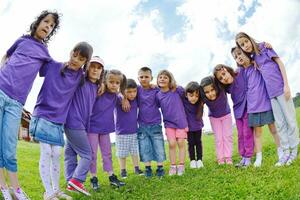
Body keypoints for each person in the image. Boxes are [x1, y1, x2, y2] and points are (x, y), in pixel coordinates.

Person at [0, 10, 60, 200]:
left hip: (16, 102)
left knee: (9, 146)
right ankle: (3, 187)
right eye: (46, 22)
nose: (48, 27)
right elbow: (6, 56)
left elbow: (56, 70)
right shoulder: (22, 40)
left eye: (51, 26)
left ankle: (16, 189)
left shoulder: (45, 53)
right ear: (38, 22)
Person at [30, 42, 92, 200]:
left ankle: (56, 190)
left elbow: (94, 80)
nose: (75, 59)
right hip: (43, 114)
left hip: (59, 120)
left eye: (81, 58)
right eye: (74, 54)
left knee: (57, 154)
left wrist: (104, 87)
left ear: (85, 62)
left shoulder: (80, 77)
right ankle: (48, 192)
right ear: (70, 52)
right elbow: (37, 62)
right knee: (46, 152)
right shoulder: (53, 66)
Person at [236, 32, 299, 166]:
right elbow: (244, 65)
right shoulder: (252, 58)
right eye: (242, 45)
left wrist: (286, 85)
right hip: (271, 95)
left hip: (281, 89)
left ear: (250, 39)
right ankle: (286, 152)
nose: (245, 46)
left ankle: (294, 150)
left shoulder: (265, 48)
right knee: (280, 124)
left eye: (246, 42)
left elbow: (280, 63)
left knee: (290, 120)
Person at [231, 46, 281, 167]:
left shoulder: (256, 63)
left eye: (239, 54)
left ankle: (281, 151)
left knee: (273, 129)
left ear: (245, 53)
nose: (239, 57)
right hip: (252, 107)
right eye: (236, 57)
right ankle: (259, 157)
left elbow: (258, 50)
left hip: (265, 102)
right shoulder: (240, 72)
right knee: (257, 133)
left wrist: (265, 45)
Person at [64, 55, 105, 196]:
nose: (95, 70)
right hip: (73, 121)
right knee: (88, 154)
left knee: (70, 154)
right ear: (86, 67)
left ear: (102, 72)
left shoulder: (97, 86)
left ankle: (70, 183)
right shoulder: (80, 79)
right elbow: (71, 69)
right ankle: (77, 180)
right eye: (92, 66)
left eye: (99, 68)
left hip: (78, 123)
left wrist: (102, 83)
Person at [88, 70, 126, 190]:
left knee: (107, 153)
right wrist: (102, 85)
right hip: (92, 127)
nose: (114, 84)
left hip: (106, 128)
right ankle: (93, 178)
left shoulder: (116, 96)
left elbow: (123, 96)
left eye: (117, 82)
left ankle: (111, 177)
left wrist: (124, 98)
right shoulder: (99, 91)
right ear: (105, 81)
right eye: (111, 82)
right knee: (92, 154)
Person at [127, 67, 166, 178]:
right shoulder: (137, 90)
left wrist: (157, 86)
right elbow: (126, 90)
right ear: (138, 78)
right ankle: (148, 168)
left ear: (151, 78)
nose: (144, 79)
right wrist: (125, 99)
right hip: (142, 124)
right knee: (144, 147)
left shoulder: (156, 90)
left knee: (158, 146)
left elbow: (162, 98)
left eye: (146, 77)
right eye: (141, 77)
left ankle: (160, 167)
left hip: (155, 123)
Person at [213, 64, 254, 167]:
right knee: (240, 135)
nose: (224, 78)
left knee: (247, 133)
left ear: (226, 69)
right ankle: (243, 157)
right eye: (221, 79)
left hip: (247, 108)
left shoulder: (240, 72)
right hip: (237, 111)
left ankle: (248, 157)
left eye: (223, 74)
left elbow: (247, 64)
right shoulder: (227, 88)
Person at [156, 70, 188, 176]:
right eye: (160, 77)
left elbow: (187, 97)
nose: (162, 79)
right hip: (169, 123)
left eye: (165, 77)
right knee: (172, 144)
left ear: (170, 79)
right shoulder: (158, 95)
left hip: (181, 122)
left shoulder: (177, 90)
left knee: (180, 143)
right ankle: (173, 166)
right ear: (157, 80)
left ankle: (181, 165)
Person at [200, 76, 233, 165]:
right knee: (219, 138)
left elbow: (226, 78)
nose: (210, 94)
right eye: (207, 92)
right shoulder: (204, 98)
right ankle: (220, 159)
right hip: (214, 118)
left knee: (227, 136)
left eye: (212, 90)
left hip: (226, 115)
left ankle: (228, 157)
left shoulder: (221, 89)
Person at [115, 79, 143, 179]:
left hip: (134, 131)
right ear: (123, 90)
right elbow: (115, 93)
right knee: (122, 153)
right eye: (129, 92)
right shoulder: (118, 99)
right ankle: (123, 170)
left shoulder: (135, 100)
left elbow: (142, 87)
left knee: (135, 151)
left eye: (134, 91)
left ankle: (137, 168)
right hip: (121, 132)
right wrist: (123, 97)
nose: (132, 94)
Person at [183, 82, 204, 169]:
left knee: (198, 143)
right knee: (191, 144)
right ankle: (192, 160)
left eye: (196, 95)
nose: (194, 98)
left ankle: (199, 160)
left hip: (198, 126)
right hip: (189, 128)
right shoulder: (184, 101)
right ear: (186, 95)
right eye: (191, 95)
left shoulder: (200, 102)